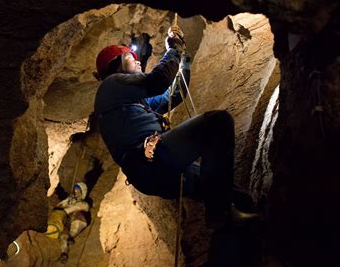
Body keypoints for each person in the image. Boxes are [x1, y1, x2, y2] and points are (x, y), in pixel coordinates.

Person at [94, 26, 258, 229]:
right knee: (218, 122)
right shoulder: (110, 86)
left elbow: (172, 96)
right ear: (115, 65)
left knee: (232, 192)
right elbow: (159, 81)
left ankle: (239, 228)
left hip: (155, 168)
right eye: (130, 56)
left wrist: (183, 61)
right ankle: (220, 214)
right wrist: (172, 49)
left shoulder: (133, 101)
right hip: (151, 162)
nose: (137, 60)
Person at [49, 182, 90, 263]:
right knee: (63, 234)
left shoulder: (84, 203)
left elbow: (81, 206)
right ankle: (64, 252)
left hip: (76, 220)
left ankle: (71, 236)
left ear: (83, 192)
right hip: (66, 222)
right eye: (75, 191)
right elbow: (58, 207)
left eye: (79, 191)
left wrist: (65, 210)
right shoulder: (69, 199)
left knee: (78, 218)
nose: (76, 193)